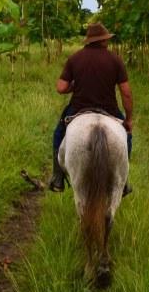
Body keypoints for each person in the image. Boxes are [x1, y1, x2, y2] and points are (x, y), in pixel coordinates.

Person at [49, 22, 134, 194]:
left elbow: (61, 88)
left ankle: (57, 177)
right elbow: (126, 93)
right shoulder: (115, 59)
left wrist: (75, 85)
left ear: (89, 41)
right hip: (109, 109)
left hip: (79, 108)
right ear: (103, 41)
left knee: (58, 135)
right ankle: (123, 180)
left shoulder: (75, 58)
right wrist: (129, 119)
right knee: (127, 137)